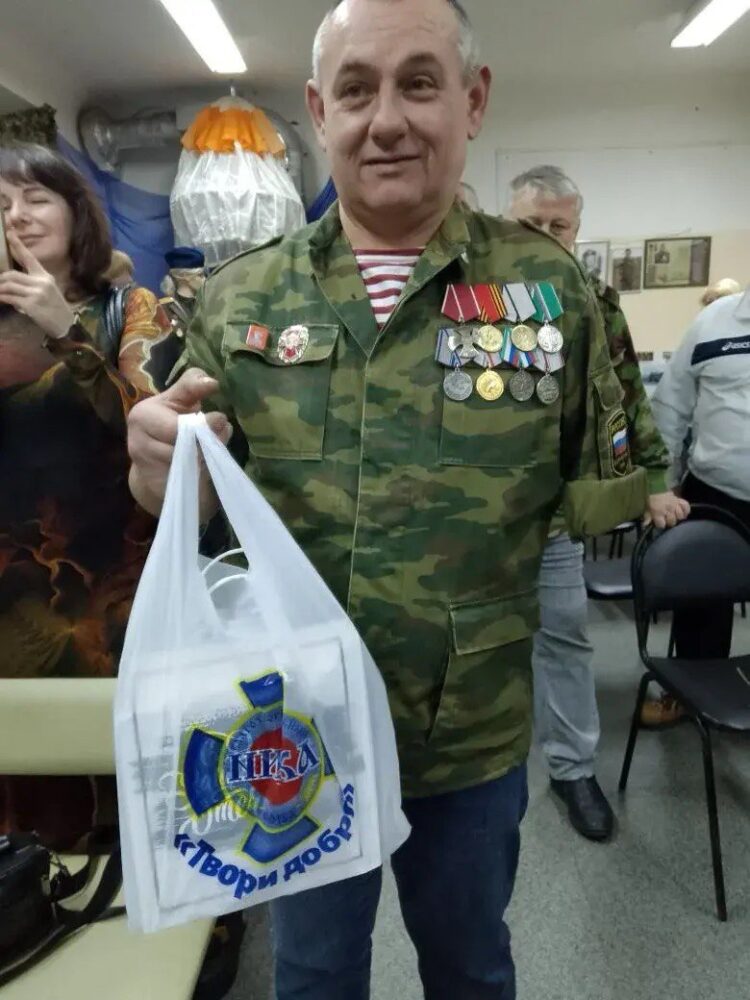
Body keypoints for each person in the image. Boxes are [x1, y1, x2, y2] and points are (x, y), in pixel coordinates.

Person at [127, 3, 647, 997]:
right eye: (357, 90)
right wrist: (155, 472)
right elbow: (181, 505)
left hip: (469, 730)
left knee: (471, 967)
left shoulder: (551, 292)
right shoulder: (239, 299)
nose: (388, 120)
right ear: (320, 111)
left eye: (419, 82)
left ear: (473, 101)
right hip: (294, 733)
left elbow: (602, 495)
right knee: (314, 973)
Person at [508, 165, 689, 840]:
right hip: (474, 517)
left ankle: (572, 768)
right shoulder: (468, 294)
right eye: (530, 225)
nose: (544, 236)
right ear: (505, 223)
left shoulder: (597, 301)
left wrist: (655, 478)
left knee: (564, 636)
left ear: (577, 230)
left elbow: (629, 392)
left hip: (555, 511)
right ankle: (471, 774)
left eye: (557, 226)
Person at [0, 143, 171, 850]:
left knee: (125, 787)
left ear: (76, 212)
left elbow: (150, 428)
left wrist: (63, 331)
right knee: (23, 799)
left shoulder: (131, 308)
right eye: (2, 204)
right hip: (9, 594)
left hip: (109, 591)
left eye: (36, 198)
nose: (17, 215)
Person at [651, 288, 750, 657]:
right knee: (701, 619)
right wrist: (663, 483)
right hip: (715, 496)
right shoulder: (714, 321)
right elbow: (669, 407)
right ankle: (692, 684)